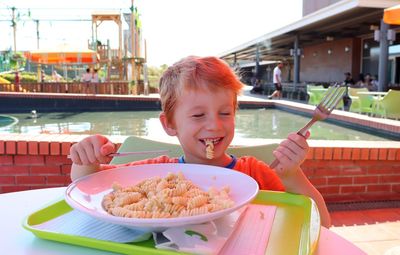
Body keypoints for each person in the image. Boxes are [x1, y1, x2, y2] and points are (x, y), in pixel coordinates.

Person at [69, 56, 331, 227]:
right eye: (198, 115)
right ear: (170, 124)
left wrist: (293, 176)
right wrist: (87, 158)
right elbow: (90, 185)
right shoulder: (158, 174)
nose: (214, 125)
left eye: (225, 113)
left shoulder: (256, 173)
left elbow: (322, 222)